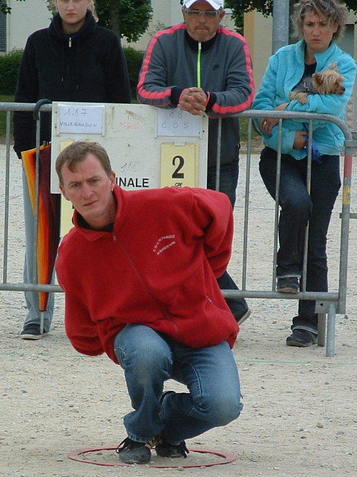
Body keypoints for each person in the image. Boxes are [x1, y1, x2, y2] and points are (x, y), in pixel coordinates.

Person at [54, 141, 243, 465]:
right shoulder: (72, 253)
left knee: (224, 406)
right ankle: (140, 433)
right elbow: (82, 323)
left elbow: (220, 207)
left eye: (94, 180)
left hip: (200, 327)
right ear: (64, 191)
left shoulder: (164, 205)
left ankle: (167, 426)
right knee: (146, 352)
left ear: (112, 178)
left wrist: (212, 270)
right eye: (76, 185)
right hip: (138, 334)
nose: (87, 192)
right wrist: (105, 340)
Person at [13, 0, 131, 340]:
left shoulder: (107, 42)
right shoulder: (38, 42)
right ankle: (37, 312)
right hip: (45, 152)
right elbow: (24, 97)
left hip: (93, 158)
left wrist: (113, 154)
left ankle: (106, 311)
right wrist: (25, 150)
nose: (71, 5)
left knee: (101, 234)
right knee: (41, 235)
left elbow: (120, 99)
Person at [137, 0, 253, 326]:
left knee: (213, 236)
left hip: (220, 157)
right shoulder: (163, 41)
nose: (202, 20)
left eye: (209, 14)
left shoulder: (235, 44)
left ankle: (221, 305)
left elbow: (245, 94)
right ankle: (224, 305)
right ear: (184, 13)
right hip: (171, 156)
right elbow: (145, 89)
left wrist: (210, 101)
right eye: (195, 12)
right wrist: (177, 96)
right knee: (175, 234)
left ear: (222, 16)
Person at [252, 0, 356, 347]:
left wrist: (287, 106)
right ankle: (287, 269)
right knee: (296, 203)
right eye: (310, 24)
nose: (316, 31)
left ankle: (308, 322)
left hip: (323, 158)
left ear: (335, 27)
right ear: (301, 26)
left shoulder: (344, 64)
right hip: (280, 156)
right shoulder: (281, 59)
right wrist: (288, 136)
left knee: (317, 241)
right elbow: (261, 111)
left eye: (323, 24)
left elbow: (333, 107)